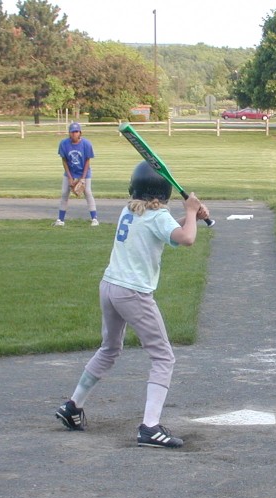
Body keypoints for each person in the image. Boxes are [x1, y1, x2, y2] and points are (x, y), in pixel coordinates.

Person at [55, 160, 211, 448]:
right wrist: (190, 212)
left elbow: (171, 234)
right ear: (162, 192)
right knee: (164, 357)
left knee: (110, 348)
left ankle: (72, 406)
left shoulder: (130, 211)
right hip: (133, 294)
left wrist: (192, 218)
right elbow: (187, 239)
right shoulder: (158, 217)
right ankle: (150, 427)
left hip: (110, 287)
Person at [53, 122, 99, 227]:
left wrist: (82, 178)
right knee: (65, 193)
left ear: (80, 133)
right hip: (70, 172)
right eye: (72, 132)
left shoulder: (86, 144)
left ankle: (94, 219)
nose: (74, 134)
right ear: (69, 133)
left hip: (84, 172)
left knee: (87, 192)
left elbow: (87, 161)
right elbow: (64, 161)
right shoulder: (64, 144)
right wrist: (69, 177)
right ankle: (60, 219)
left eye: (76, 132)